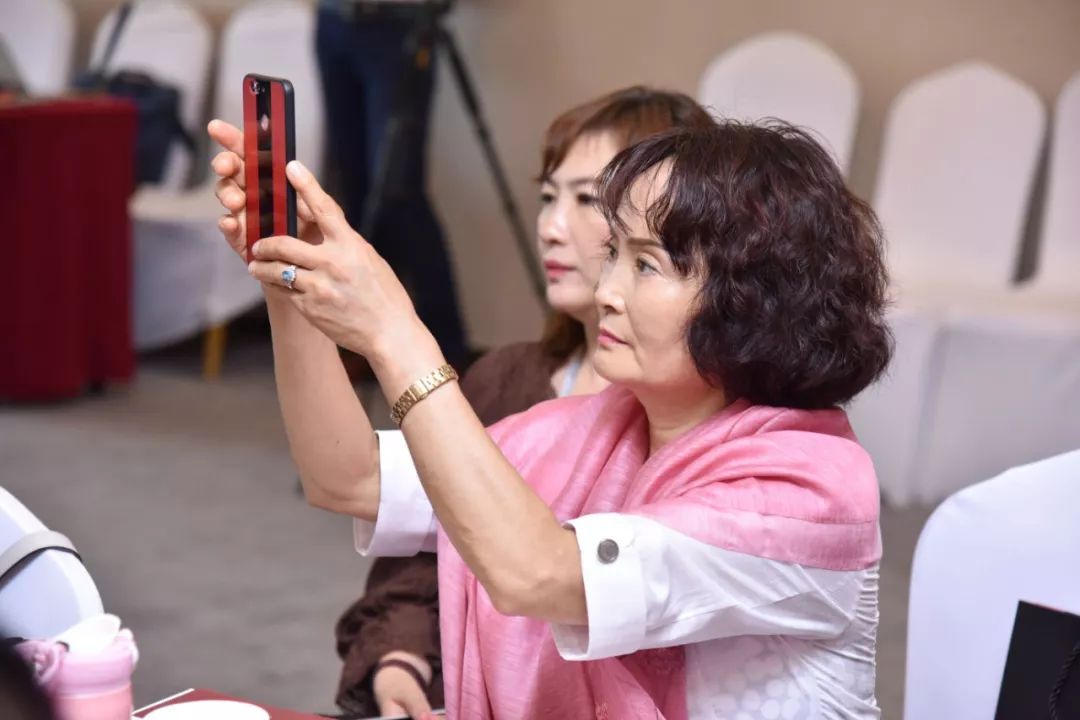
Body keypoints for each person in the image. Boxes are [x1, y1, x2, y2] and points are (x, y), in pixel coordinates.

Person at [208, 117, 892, 718]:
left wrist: (397, 336)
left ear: (751, 300)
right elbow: (350, 478)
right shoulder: (590, 429)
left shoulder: (808, 490)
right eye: (615, 255)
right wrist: (288, 280)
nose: (608, 290)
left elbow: (540, 574)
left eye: (647, 266)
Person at [330, 87, 715, 718]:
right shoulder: (510, 381)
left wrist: (395, 334)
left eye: (588, 200)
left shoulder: (698, 426)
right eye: (547, 197)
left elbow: (539, 575)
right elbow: (362, 488)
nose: (550, 227)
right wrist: (401, 653)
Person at [316, 0, 469, 367]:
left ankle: (448, 351)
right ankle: (367, 341)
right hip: (333, 19)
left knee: (399, 192)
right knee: (351, 189)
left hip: (397, 24)